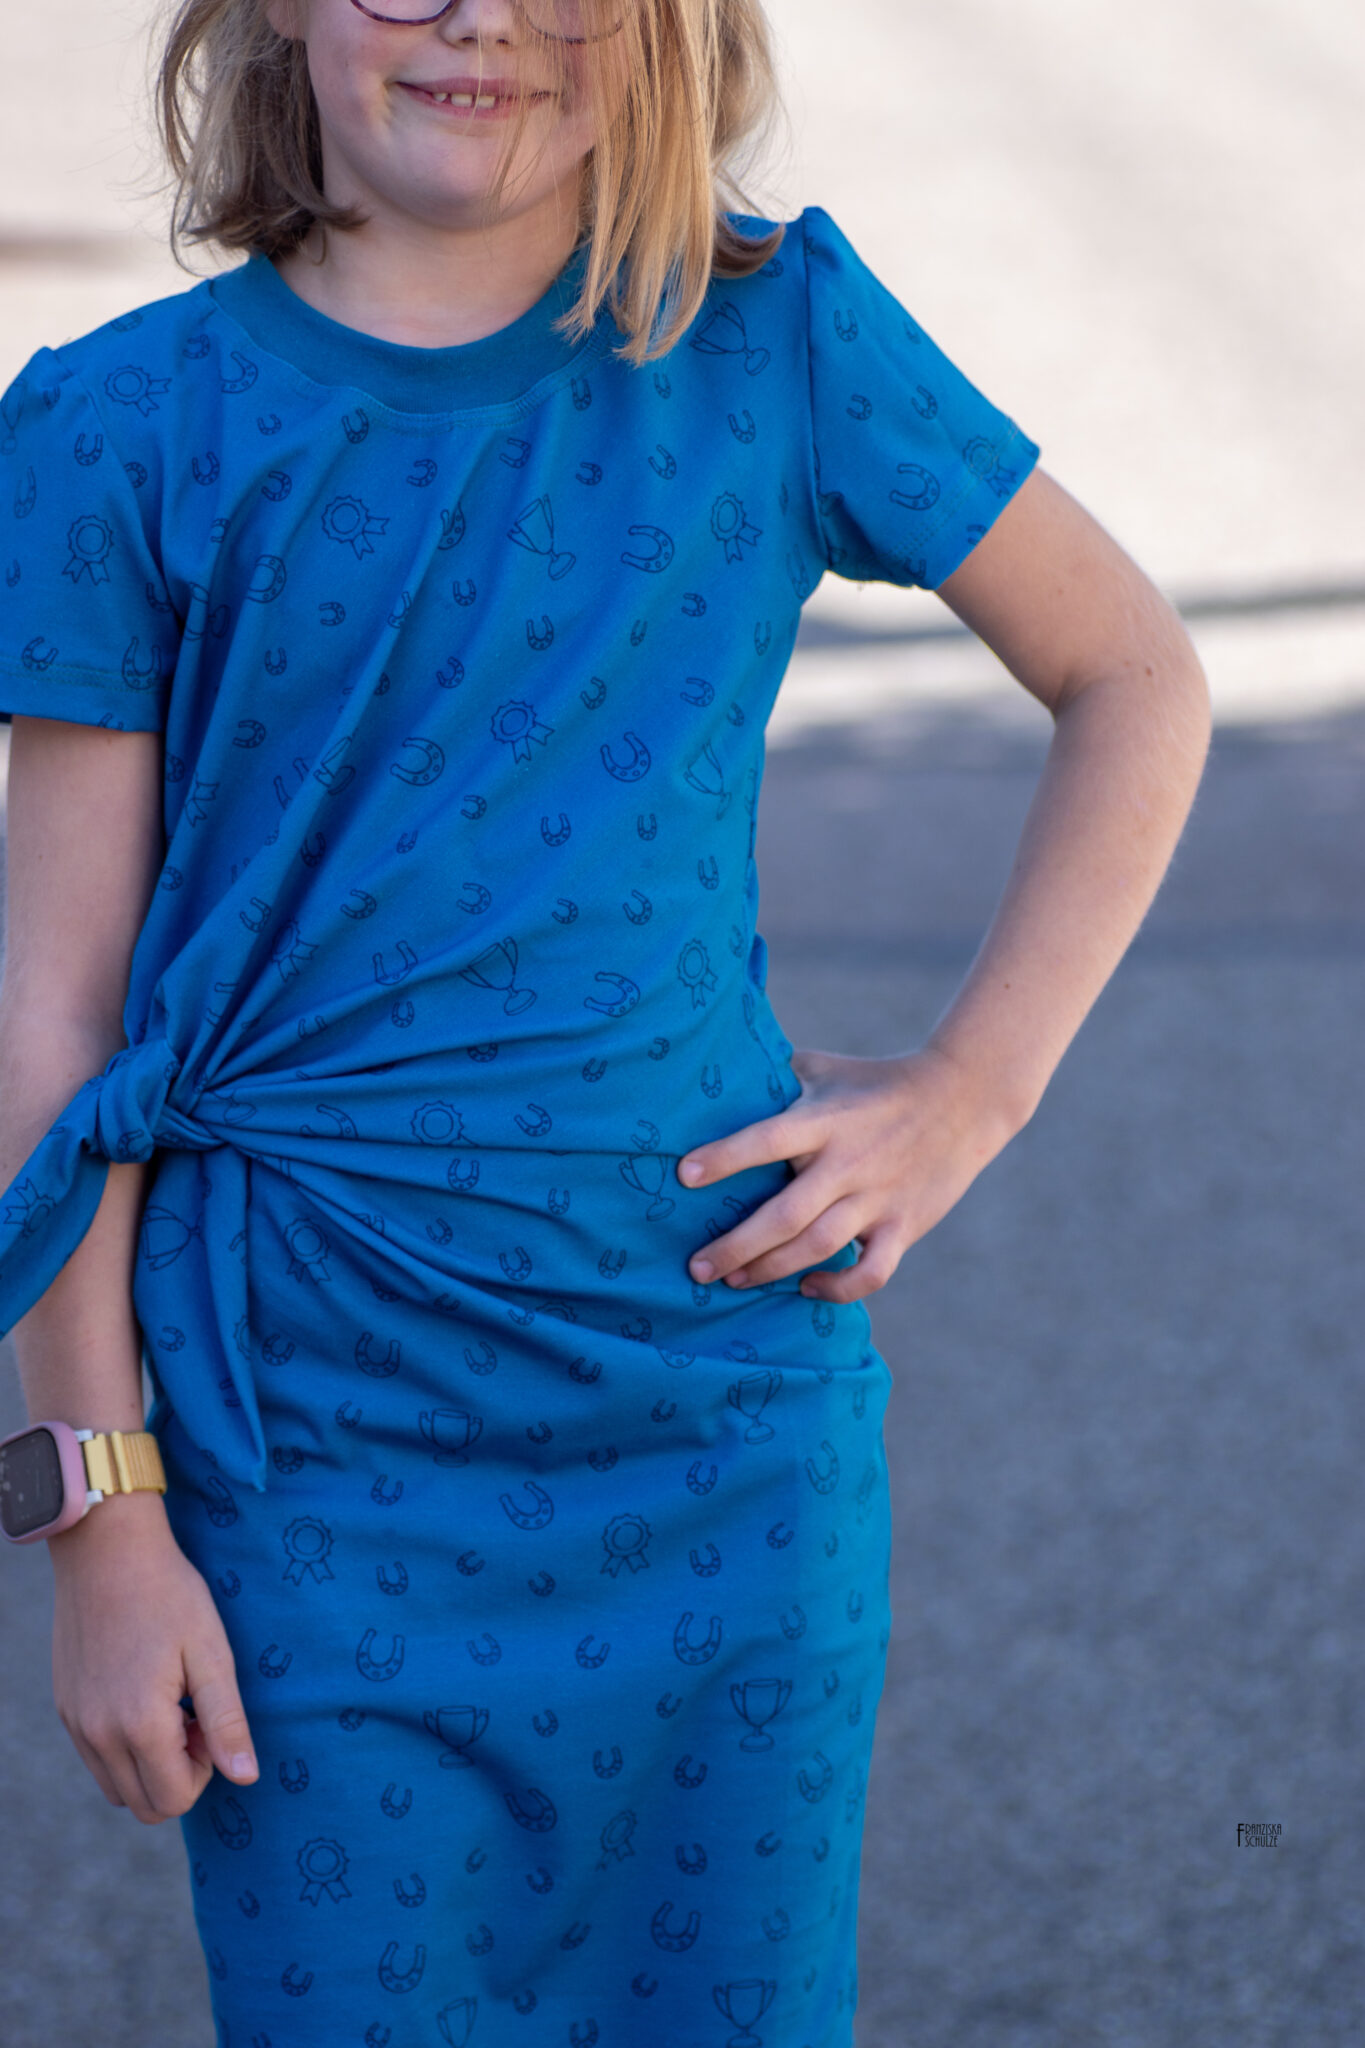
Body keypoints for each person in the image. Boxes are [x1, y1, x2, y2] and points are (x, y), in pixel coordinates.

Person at [0, 0, 1211, 2040]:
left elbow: (1134, 676)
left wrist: (972, 1087)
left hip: (717, 1453)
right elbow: (55, 1016)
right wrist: (97, 1518)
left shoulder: (775, 339)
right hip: (309, 1463)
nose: (481, 17)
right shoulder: (117, 421)